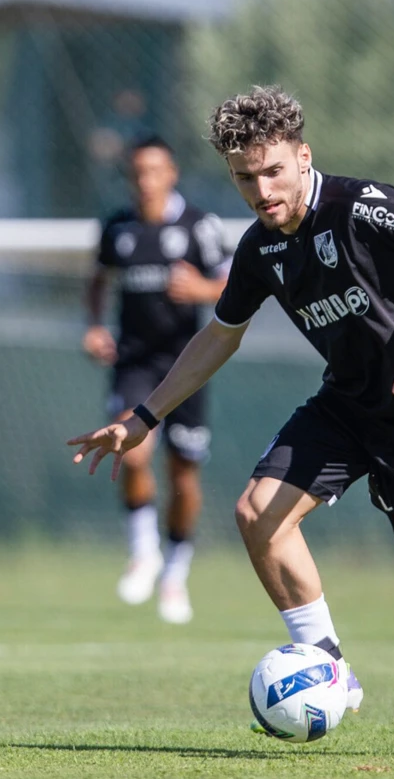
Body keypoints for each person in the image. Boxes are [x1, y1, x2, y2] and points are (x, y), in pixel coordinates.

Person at [69, 86, 394, 751]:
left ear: (303, 158)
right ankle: (327, 662)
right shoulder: (258, 249)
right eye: (245, 177)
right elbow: (220, 334)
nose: (261, 188)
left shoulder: (359, 207)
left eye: (273, 170)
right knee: (257, 513)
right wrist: (145, 415)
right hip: (350, 404)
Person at [82, 134, 229, 625]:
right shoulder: (117, 228)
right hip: (135, 363)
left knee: (184, 478)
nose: (145, 181)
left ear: (172, 174)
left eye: (154, 171)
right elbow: (98, 279)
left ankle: (174, 574)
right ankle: (143, 552)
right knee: (132, 448)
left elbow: (232, 283)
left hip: (188, 364)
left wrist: (202, 288)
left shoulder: (198, 227)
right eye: (137, 173)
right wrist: (97, 327)